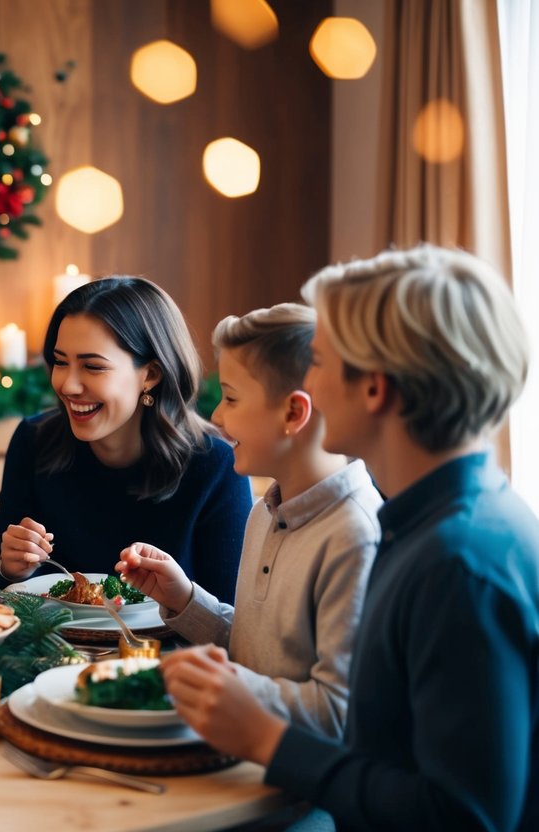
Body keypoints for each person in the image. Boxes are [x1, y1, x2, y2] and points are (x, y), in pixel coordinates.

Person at [160, 245, 538, 830]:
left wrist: (266, 738)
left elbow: (463, 817)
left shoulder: (458, 563)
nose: (307, 380)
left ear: (375, 388)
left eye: (322, 360)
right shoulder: (424, 525)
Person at [116, 303, 381, 739]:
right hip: (238, 755)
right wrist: (184, 599)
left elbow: (337, 713)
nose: (217, 415)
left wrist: (222, 684)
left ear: (294, 414)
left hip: (293, 794)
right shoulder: (265, 510)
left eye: (232, 397)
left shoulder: (354, 535)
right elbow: (255, 653)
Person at [0, 277, 251, 601]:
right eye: (61, 362)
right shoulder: (34, 441)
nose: (68, 385)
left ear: (150, 374)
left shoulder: (213, 464)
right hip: (47, 649)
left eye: (93, 367)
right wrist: (8, 568)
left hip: (164, 652)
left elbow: (232, 618)